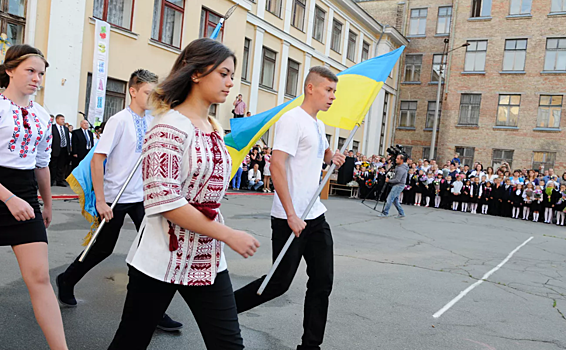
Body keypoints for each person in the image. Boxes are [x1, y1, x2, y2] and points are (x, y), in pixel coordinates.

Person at [107, 38, 260, 350]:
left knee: (229, 345)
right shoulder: (167, 126)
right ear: (196, 73)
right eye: (224, 74)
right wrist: (228, 234)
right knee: (130, 343)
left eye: (233, 75)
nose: (231, 82)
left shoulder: (215, 128)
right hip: (160, 256)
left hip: (207, 259)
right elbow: (165, 201)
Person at [56, 69, 182, 331]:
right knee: (103, 249)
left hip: (142, 198)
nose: (151, 97)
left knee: (154, 249)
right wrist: (101, 201)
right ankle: (67, 279)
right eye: (148, 92)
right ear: (133, 91)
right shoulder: (119, 121)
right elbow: (98, 160)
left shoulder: (152, 121)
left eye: (154, 93)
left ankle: (154, 311)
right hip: (115, 196)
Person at [234, 66, 345, 350]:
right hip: (289, 218)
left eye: (334, 91)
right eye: (328, 90)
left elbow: (322, 154)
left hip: (315, 216)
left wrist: (334, 157)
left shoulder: (319, 125)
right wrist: (292, 214)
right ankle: (221, 312)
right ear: (311, 88)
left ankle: (310, 346)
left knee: (322, 282)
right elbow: (276, 164)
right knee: (277, 284)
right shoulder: (291, 120)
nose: (333, 96)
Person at [0, 44, 69, 349]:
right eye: (30, 70)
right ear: (9, 70)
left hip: (26, 193)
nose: (37, 78)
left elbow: (42, 164)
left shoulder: (42, 115)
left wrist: (47, 203)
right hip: (4, 192)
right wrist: (8, 199)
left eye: (41, 73)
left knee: (39, 278)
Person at [378, 153, 408, 218]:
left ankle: (385, 213)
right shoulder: (399, 167)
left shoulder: (401, 169)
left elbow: (397, 180)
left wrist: (388, 181)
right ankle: (401, 213)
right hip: (397, 185)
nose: (396, 160)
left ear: (401, 160)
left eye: (398, 159)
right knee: (395, 200)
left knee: (389, 199)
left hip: (398, 185)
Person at [49, 114, 71, 186]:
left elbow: (67, 139)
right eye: (61, 119)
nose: (63, 121)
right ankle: (52, 180)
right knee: (53, 165)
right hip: (55, 149)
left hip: (63, 149)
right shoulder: (52, 128)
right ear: (57, 120)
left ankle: (60, 181)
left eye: (64, 119)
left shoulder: (65, 129)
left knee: (61, 166)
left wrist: (68, 149)